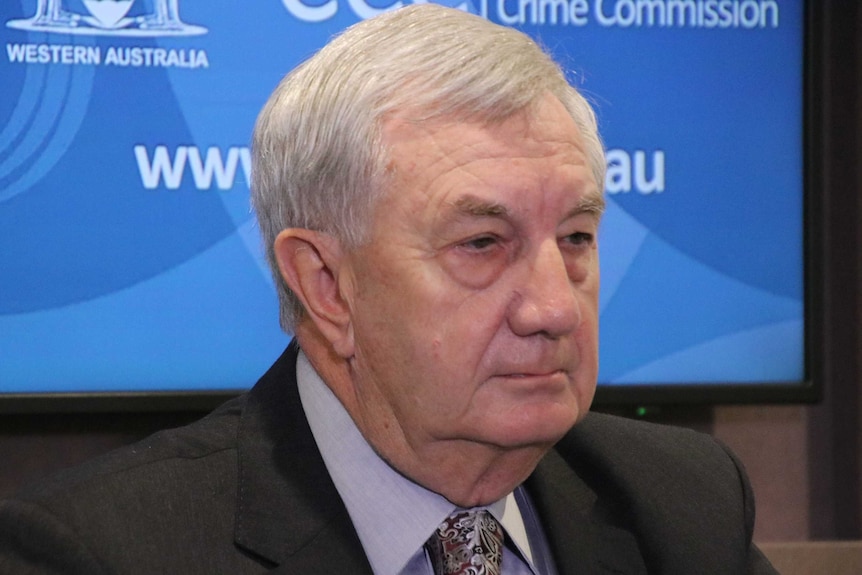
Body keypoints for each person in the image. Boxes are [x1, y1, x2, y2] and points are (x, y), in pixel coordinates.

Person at [0, 4, 777, 574]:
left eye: (575, 237)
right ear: (326, 284)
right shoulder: (100, 551)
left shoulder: (684, 502)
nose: (554, 307)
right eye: (482, 243)